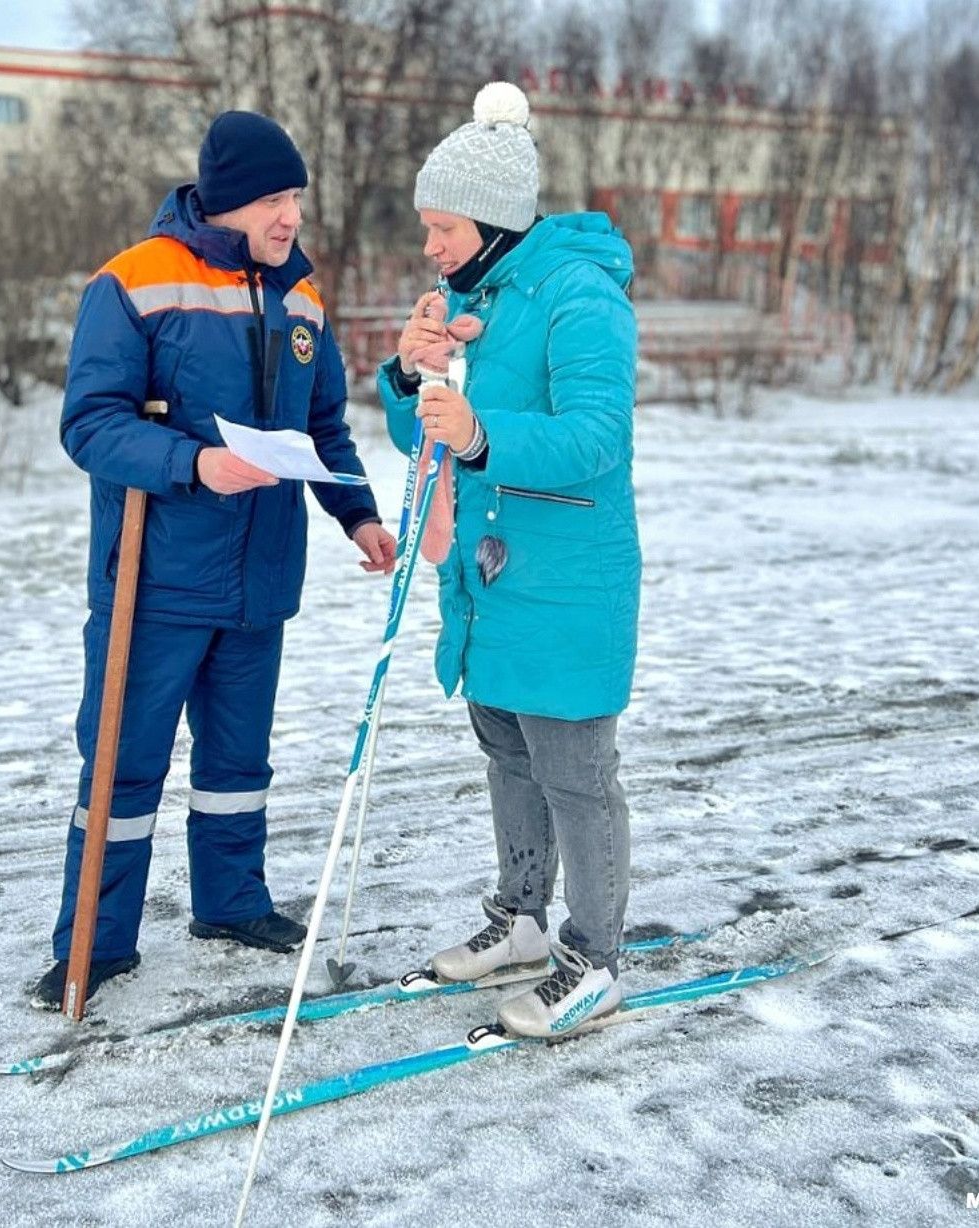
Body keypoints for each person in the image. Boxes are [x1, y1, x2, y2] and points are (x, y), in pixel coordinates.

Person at [34, 111, 397, 1008]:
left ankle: (231, 905)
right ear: (230, 201)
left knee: (238, 764)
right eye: (275, 200)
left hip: (260, 583)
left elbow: (322, 429)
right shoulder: (134, 283)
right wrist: (192, 463)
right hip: (156, 583)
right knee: (122, 769)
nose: (290, 219)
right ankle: (99, 942)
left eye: (297, 201)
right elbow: (90, 424)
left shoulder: (301, 298)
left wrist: (356, 514)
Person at [376, 82, 640, 1038]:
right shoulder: (469, 298)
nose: (431, 248)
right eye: (428, 229)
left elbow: (597, 436)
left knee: (575, 767)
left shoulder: (581, 296)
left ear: (491, 221)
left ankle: (596, 957)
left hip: (568, 577)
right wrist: (412, 376)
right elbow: (427, 439)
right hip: (490, 578)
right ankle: (521, 920)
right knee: (509, 755)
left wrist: (485, 432)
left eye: (442, 228)